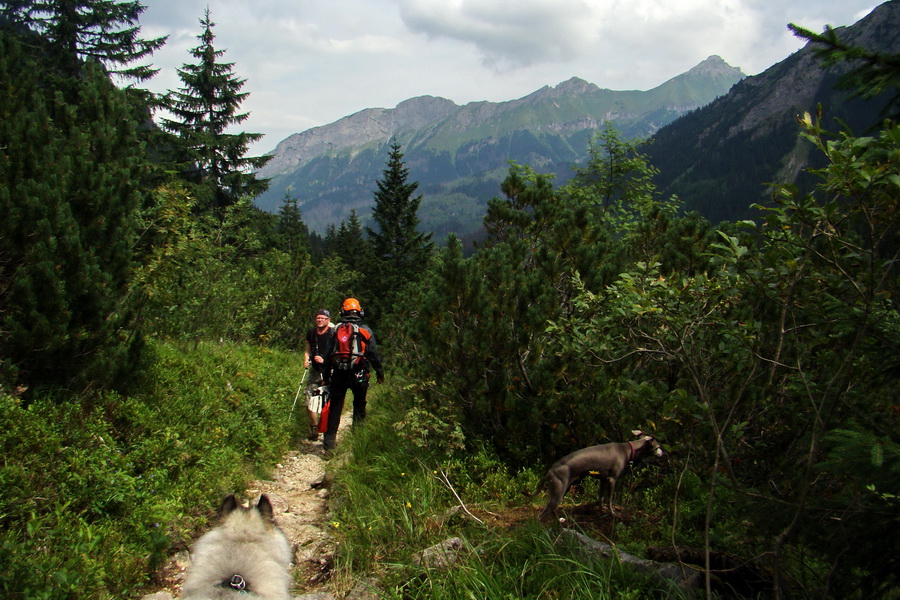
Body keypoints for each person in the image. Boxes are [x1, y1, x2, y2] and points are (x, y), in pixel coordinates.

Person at [321, 297, 384, 452]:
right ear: (360, 312)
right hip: (360, 374)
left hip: (339, 375)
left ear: (343, 311)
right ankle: (356, 442)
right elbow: (373, 354)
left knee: (335, 408)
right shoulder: (365, 330)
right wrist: (380, 373)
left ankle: (329, 446)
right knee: (359, 405)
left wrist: (326, 376)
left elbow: (328, 353)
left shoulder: (335, 330)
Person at [302, 309, 335, 441]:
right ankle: (314, 427)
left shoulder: (333, 333)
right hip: (315, 371)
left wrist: (325, 360)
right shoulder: (311, 333)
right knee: (309, 398)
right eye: (318, 318)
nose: (320, 320)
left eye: (322, 318)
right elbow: (307, 349)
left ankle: (326, 427)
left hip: (330, 370)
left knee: (329, 401)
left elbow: (337, 352)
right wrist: (306, 359)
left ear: (328, 320)